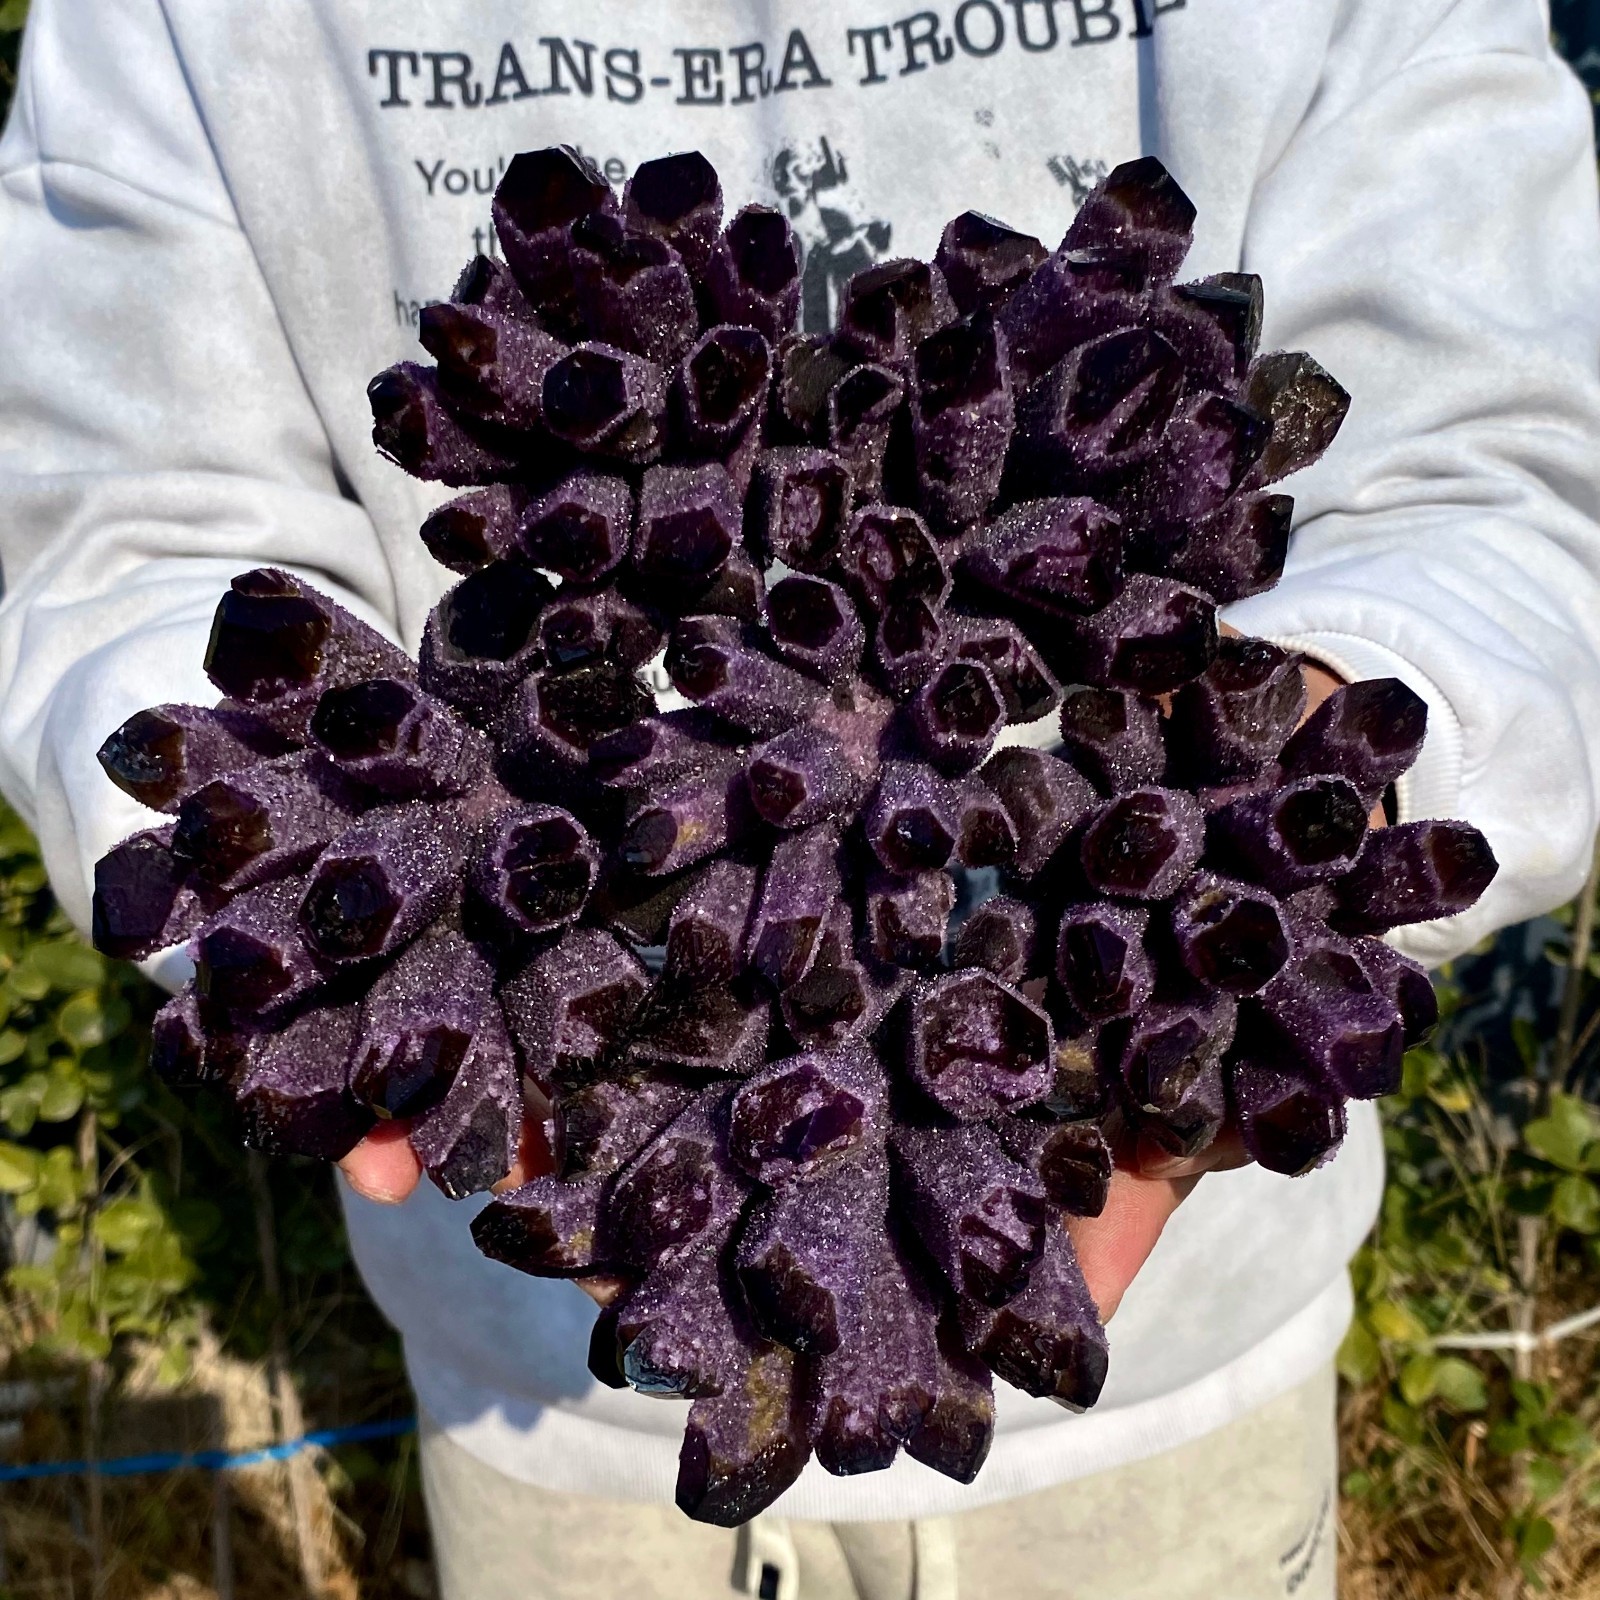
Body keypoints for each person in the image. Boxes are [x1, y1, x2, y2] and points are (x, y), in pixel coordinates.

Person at [2, 1, 1599, 1595]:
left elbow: (1504, 445)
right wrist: (274, 925)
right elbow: (115, 529)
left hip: (1189, 1377)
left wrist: (1350, 744)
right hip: (546, 1379)